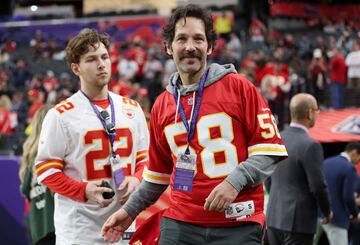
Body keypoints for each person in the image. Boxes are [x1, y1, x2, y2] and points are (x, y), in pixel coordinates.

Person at [102, 4, 287, 244]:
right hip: (182, 222)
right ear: (169, 47)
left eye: (198, 39)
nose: (190, 47)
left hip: (237, 221)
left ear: (209, 46)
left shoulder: (240, 87)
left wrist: (234, 181)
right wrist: (128, 212)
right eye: (182, 39)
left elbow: (270, 149)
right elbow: (157, 176)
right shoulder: (162, 105)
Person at [34, 28, 149, 244]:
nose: (101, 64)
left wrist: (137, 178)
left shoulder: (132, 108)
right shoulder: (60, 115)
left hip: (125, 224)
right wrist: (83, 190)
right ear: (76, 68)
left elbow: (145, 158)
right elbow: (45, 169)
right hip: (79, 230)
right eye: (91, 59)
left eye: (104, 57)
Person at [266, 93, 332, 245]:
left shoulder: (277, 139)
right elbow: (317, 186)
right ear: (310, 113)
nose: (317, 114)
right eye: (317, 110)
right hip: (299, 223)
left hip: (274, 216)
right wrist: (327, 212)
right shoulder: (311, 145)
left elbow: (268, 178)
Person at [20, 104, 54, 245]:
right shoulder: (55, 152)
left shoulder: (30, 155)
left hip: (35, 221)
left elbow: (25, 190)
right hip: (53, 222)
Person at [319, 142, 360, 245]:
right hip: (337, 217)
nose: (358, 162)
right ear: (354, 153)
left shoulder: (325, 162)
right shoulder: (349, 168)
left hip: (317, 213)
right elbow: (348, 198)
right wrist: (355, 214)